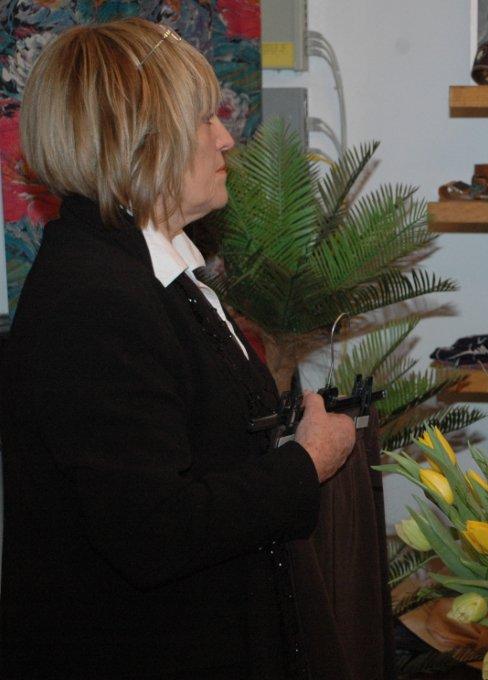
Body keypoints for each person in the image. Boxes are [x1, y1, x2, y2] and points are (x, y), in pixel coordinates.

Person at [1, 19, 360, 678]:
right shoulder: (94, 298)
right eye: (203, 120)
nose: (226, 138)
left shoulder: (151, 271)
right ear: (139, 140)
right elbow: (153, 530)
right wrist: (305, 463)